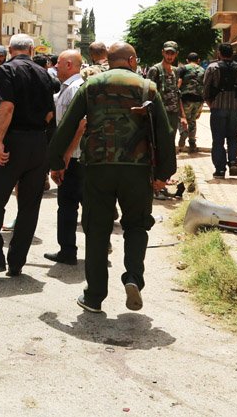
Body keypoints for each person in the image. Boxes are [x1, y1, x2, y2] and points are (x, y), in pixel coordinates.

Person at [48, 42, 175, 313]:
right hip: (137, 170)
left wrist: (56, 161)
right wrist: (164, 173)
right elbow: (164, 132)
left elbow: (69, 124)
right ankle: (133, 278)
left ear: (109, 61)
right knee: (137, 225)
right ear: (131, 61)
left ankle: (94, 296)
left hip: (98, 169)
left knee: (97, 229)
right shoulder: (147, 87)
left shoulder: (91, 85)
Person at [0, 34, 55, 278]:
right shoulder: (44, 73)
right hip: (38, 143)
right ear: (31, 49)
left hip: (15, 140)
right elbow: (49, 114)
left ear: (10, 49)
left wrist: (0, 140)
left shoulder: (7, 70)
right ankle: (16, 263)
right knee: (29, 206)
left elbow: (7, 107)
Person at [45, 49, 86, 266]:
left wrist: (66, 155)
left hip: (75, 159)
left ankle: (68, 251)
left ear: (69, 65)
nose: (55, 67)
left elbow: (81, 124)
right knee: (79, 205)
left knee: (69, 206)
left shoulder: (74, 89)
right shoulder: (67, 89)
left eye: (58, 63)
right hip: (74, 157)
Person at [203, 44, 237, 179]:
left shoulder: (212, 68)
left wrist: (210, 103)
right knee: (232, 137)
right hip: (236, 109)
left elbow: (206, 88)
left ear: (219, 53)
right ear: (232, 53)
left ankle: (220, 169)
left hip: (218, 107)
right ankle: (232, 162)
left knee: (218, 139)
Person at [146, 41, 186, 160]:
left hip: (173, 114)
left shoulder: (175, 71)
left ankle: (165, 175)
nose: (169, 56)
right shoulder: (155, 70)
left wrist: (182, 115)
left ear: (176, 54)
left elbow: (177, 93)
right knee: (159, 144)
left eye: (172, 54)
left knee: (169, 144)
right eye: (167, 53)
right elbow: (148, 93)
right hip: (160, 114)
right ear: (162, 52)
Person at [175, 52, 205, 153]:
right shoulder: (202, 70)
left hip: (185, 98)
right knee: (192, 121)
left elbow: (178, 82)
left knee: (182, 119)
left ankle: (183, 132)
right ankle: (192, 143)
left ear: (187, 60)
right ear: (198, 60)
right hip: (199, 99)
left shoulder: (183, 68)